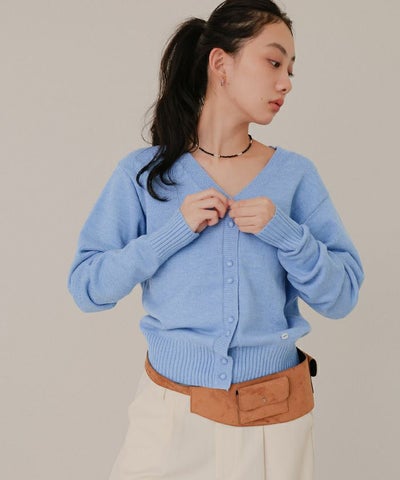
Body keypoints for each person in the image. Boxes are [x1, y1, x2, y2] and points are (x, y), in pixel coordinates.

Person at [67, 1, 365, 479]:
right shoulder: (143, 175)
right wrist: (169, 236)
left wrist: (287, 234)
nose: (286, 82)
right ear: (221, 64)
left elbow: (342, 296)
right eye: (274, 62)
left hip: (273, 421)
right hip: (169, 417)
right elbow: (87, 288)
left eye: (290, 70)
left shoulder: (295, 176)